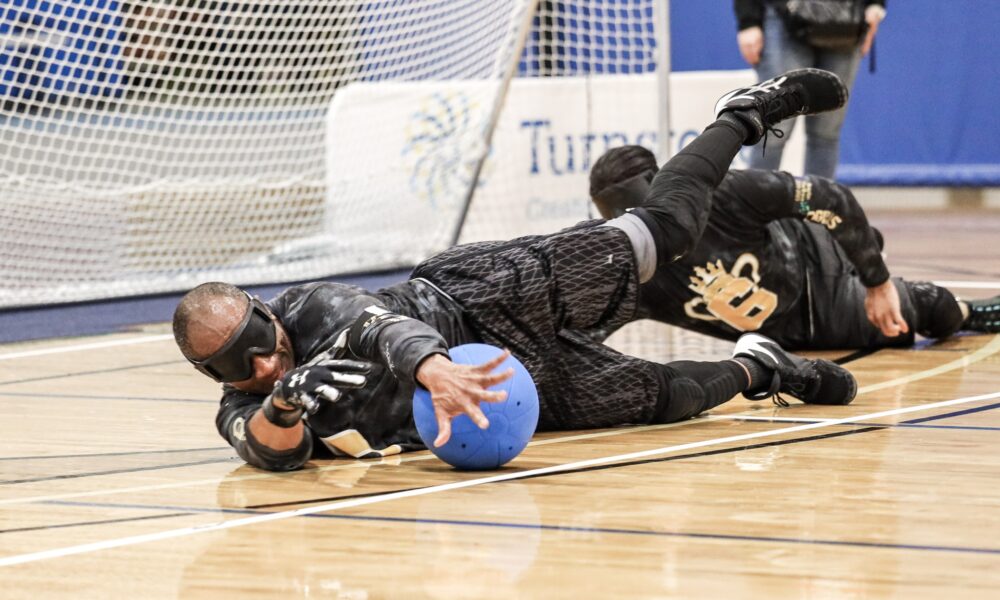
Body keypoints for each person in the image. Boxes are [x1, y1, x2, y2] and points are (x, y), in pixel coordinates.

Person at [173, 69, 858, 472]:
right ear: (215, 376)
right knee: (665, 399)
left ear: (267, 314)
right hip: (499, 386)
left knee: (669, 233)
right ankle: (762, 368)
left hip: (483, 297)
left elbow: (378, 330)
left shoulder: (310, 306)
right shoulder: (248, 405)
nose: (262, 363)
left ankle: (740, 115)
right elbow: (270, 455)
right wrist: (284, 403)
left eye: (261, 343)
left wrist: (435, 369)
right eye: (239, 366)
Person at [588, 145, 1000, 349]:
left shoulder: (726, 191)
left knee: (932, 307)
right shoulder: (625, 266)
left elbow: (831, 197)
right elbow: (576, 333)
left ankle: (971, 311)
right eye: (636, 228)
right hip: (781, 336)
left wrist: (877, 283)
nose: (654, 236)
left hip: (818, 275)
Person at [733, 0, 887, 178]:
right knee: (772, 131)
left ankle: (818, 204)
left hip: (848, 24)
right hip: (784, 18)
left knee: (826, 134)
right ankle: (755, 203)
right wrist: (748, 20)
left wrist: (875, 6)